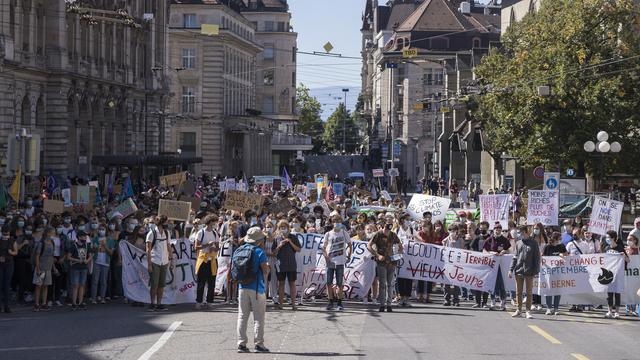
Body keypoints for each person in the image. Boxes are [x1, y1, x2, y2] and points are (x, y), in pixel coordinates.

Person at [236, 227, 270, 353]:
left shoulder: (239, 250)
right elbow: (265, 270)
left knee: (242, 316)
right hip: (256, 288)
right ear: (259, 241)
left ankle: (241, 343)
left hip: (242, 286)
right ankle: (259, 344)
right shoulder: (259, 252)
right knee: (259, 317)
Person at [368, 222, 403, 313]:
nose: (387, 232)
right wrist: (377, 255)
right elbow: (369, 245)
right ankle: (382, 304)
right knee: (382, 284)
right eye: (386, 230)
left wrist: (398, 254)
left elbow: (400, 246)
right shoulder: (378, 234)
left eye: (388, 230)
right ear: (383, 228)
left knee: (390, 284)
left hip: (391, 262)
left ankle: (389, 304)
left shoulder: (393, 235)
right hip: (381, 262)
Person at [509, 225, 541, 319]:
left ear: (526, 232)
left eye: (521, 232)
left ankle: (528, 311)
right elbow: (515, 257)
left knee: (529, 292)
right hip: (519, 271)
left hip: (529, 271)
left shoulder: (533, 243)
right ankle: (519, 310)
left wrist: (536, 271)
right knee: (518, 292)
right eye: (519, 232)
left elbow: (537, 258)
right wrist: (511, 269)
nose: (520, 234)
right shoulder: (518, 243)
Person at [322, 213, 352, 311]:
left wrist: (349, 255)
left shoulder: (344, 233)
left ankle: (339, 302)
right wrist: (326, 257)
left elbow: (350, 245)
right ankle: (330, 301)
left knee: (340, 283)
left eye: (338, 221)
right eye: (335, 221)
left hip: (340, 262)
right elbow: (323, 247)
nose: (336, 223)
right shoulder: (328, 234)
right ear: (332, 222)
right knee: (328, 283)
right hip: (330, 262)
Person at [145, 215, 174, 312]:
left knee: (162, 284)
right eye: (166, 222)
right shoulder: (151, 233)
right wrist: (149, 264)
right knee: (154, 284)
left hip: (164, 261)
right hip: (155, 261)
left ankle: (159, 303)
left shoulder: (167, 233)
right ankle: (152, 303)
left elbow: (168, 245)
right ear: (162, 222)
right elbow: (148, 250)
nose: (168, 224)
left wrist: (171, 258)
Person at [273, 220, 301, 310]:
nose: (283, 229)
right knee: (281, 284)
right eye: (281, 227)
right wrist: (279, 245)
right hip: (281, 265)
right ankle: (281, 304)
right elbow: (274, 252)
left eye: (284, 227)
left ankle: (293, 304)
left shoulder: (293, 237)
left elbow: (298, 249)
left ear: (288, 228)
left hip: (291, 264)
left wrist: (290, 242)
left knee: (292, 283)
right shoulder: (276, 238)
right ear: (278, 228)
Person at [194, 214, 220, 310]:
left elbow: (218, 247)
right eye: (214, 222)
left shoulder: (215, 233)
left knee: (212, 282)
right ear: (209, 222)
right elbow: (196, 247)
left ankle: (209, 302)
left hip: (212, 260)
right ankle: (199, 301)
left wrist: (214, 248)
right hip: (203, 260)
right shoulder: (201, 233)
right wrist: (206, 245)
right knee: (201, 282)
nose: (215, 224)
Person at [482, 223, 510, 311]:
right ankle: (493, 301)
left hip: (502, 265)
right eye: (496, 228)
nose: (497, 230)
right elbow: (484, 251)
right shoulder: (489, 240)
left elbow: (509, 250)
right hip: (492, 265)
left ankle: (503, 302)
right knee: (492, 283)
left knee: (502, 284)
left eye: (499, 228)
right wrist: (491, 253)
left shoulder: (505, 239)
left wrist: (504, 251)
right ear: (493, 230)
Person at [602, 230, 627, 319]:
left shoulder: (620, 248)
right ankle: (609, 311)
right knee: (609, 294)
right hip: (609, 274)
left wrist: (623, 255)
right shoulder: (606, 248)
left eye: (608, 237)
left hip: (618, 275)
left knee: (617, 293)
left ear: (613, 238)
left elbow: (628, 260)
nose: (607, 239)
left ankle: (617, 312)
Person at [542, 232, 568, 315]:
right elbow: (543, 257)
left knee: (558, 289)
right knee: (549, 289)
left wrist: (562, 254)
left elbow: (567, 255)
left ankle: (556, 308)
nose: (560, 240)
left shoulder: (562, 246)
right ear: (554, 239)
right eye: (559, 239)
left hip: (559, 271)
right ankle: (549, 308)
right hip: (549, 272)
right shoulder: (547, 247)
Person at [90, 224, 115, 304]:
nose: (101, 231)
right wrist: (96, 248)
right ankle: (93, 298)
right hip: (96, 262)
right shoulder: (95, 239)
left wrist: (105, 246)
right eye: (100, 229)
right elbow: (92, 251)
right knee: (95, 281)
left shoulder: (110, 240)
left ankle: (102, 297)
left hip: (105, 263)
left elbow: (111, 253)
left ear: (106, 230)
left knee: (103, 281)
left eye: (103, 229)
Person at [33, 228, 56, 312]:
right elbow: (37, 256)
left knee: (46, 286)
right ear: (48, 233)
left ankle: (43, 303)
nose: (54, 234)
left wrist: (54, 267)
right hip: (41, 267)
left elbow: (52, 256)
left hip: (48, 268)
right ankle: (36, 304)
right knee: (38, 286)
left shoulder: (52, 243)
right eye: (52, 233)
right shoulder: (41, 243)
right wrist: (38, 268)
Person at [68, 231, 92, 310]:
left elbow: (90, 255)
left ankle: (80, 302)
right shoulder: (74, 245)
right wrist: (78, 260)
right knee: (75, 285)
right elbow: (68, 257)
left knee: (82, 285)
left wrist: (87, 260)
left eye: (85, 237)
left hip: (84, 267)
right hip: (75, 267)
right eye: (84, 237)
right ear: (79, 237)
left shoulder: (86, 246)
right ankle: (74, 303)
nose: (85, 238)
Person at [442, 224, 463, 306]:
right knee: (446, 283)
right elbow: (443, 249)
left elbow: (463, 251)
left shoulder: (460, 240)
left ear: (457, 231)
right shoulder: (446, 240)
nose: (452, 232)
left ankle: (456, 300)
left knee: (456, 284)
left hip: (457, 264)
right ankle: (447, 300)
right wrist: (447, 239)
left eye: (454, 231)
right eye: (450, 231)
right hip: (447, 264)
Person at [0, 226, 18, 313]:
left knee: (7, 285)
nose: (6, 235)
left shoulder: (12, 240)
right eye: (4, 233)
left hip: (9, 264)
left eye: (7, 233)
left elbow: (16, 252)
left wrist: (11, 252)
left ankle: (7, 306)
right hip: (0, 264)